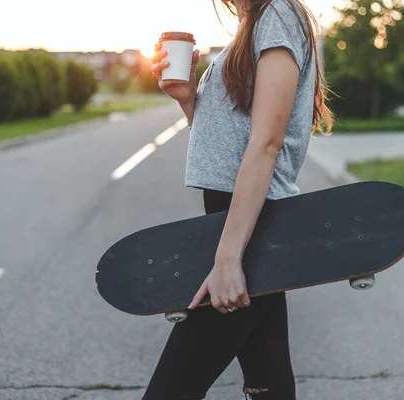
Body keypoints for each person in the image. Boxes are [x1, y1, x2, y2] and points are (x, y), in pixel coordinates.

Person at [145, 0, 333, 398]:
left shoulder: (278, 14)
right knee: (269, 383)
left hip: (250, 226)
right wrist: (187, 98)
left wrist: (229, 258)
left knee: (169, 392)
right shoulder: (254, 23)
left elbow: (266, 144)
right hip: (240, 223)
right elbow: (229, 142)